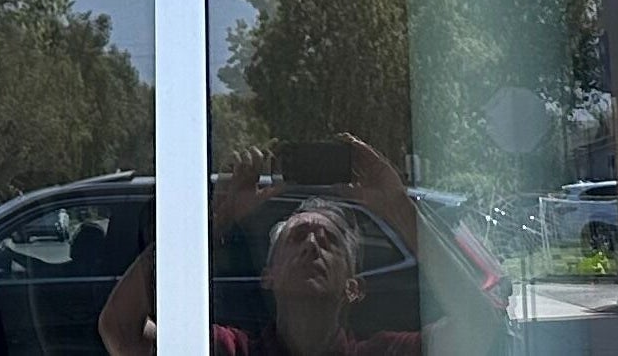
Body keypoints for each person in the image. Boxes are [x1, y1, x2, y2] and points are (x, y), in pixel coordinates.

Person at [95, 139, 500, 356]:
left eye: (329, 240)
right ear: (268, 276)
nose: (311, 245)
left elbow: (480, 327)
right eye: (297, 236)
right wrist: (219, 218)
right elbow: (119, 329)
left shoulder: (385, 352)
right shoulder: (228, 349)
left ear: (353, 287)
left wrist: (398, 207)